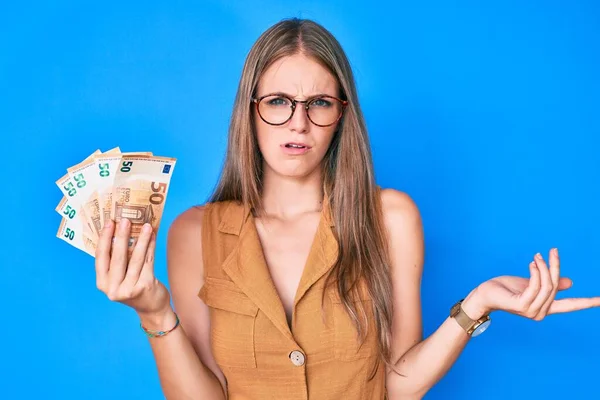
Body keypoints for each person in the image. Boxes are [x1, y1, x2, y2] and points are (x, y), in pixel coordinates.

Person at [94, 18, 600, 400]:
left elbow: (397, 386)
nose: (298, 123)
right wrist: (154, 311)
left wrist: (476, 305)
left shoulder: (390, 218)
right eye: (277, 102)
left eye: (318, 103)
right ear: (250, 110)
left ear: (341, 114)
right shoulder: (194, 232)